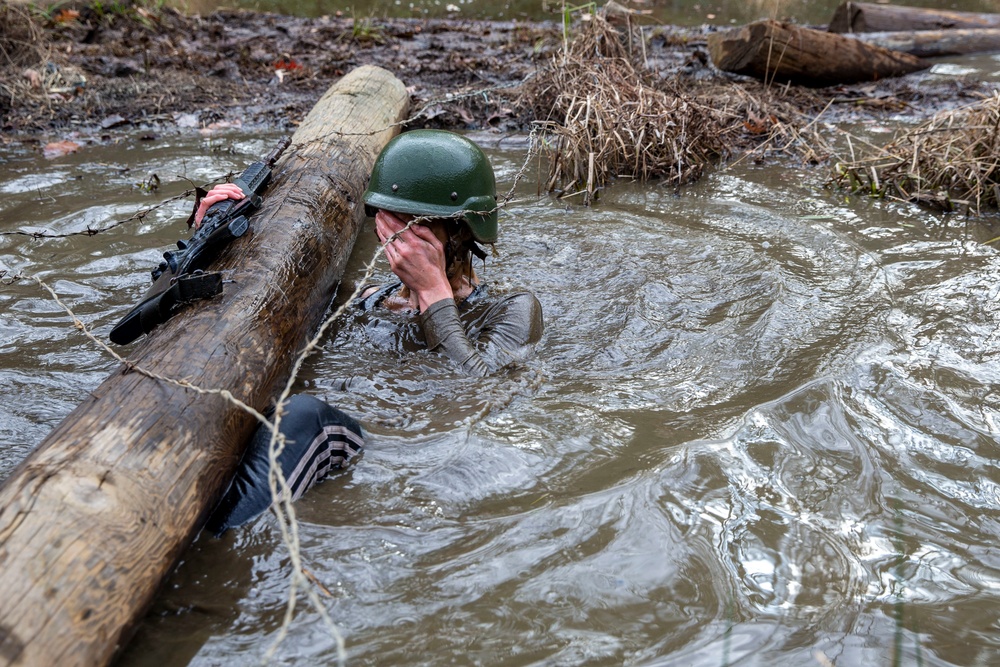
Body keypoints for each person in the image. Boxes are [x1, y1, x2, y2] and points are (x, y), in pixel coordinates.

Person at [203, 130, 544, 534]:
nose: (394, 234)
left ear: (462, 231)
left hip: (398, 458)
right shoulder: (362, 301)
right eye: (387, 216)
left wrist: (433, 291)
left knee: (304, 417)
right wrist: (221, 237)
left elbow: (482, 392)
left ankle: (217, 552)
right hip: (323, 448)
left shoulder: (511, 309)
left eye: (414, 223)